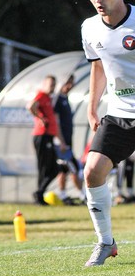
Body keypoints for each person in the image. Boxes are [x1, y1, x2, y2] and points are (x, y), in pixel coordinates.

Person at [79, 0, 135, 266]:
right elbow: (98, 65)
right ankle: (105, 242)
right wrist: (91, 106)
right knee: (92, 171)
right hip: (120, 114)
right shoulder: (90, 28)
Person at [27, 75, 67, 205]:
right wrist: (40, 118)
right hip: (42, 136)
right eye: (50, 84)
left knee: (53, 168)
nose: (52, 87)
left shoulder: (48, 99)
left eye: (54, 85)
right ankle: (39, 194)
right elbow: (31, 106)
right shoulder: (41, 95)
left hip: (48, 136)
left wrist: (60, 140)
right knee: (47, 167)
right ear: (44, 84)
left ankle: (39, 193)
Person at [52, 75, 84, 204]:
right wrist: (61, 142)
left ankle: (63, 195)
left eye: (71, 83)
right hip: (62, 143)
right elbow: (56, 123)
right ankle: (83, 195)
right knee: (74, 168)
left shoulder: (66, 99)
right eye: (67, 83)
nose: (69, 86)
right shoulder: (58, 100)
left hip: (67, 141)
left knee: (63, 170)